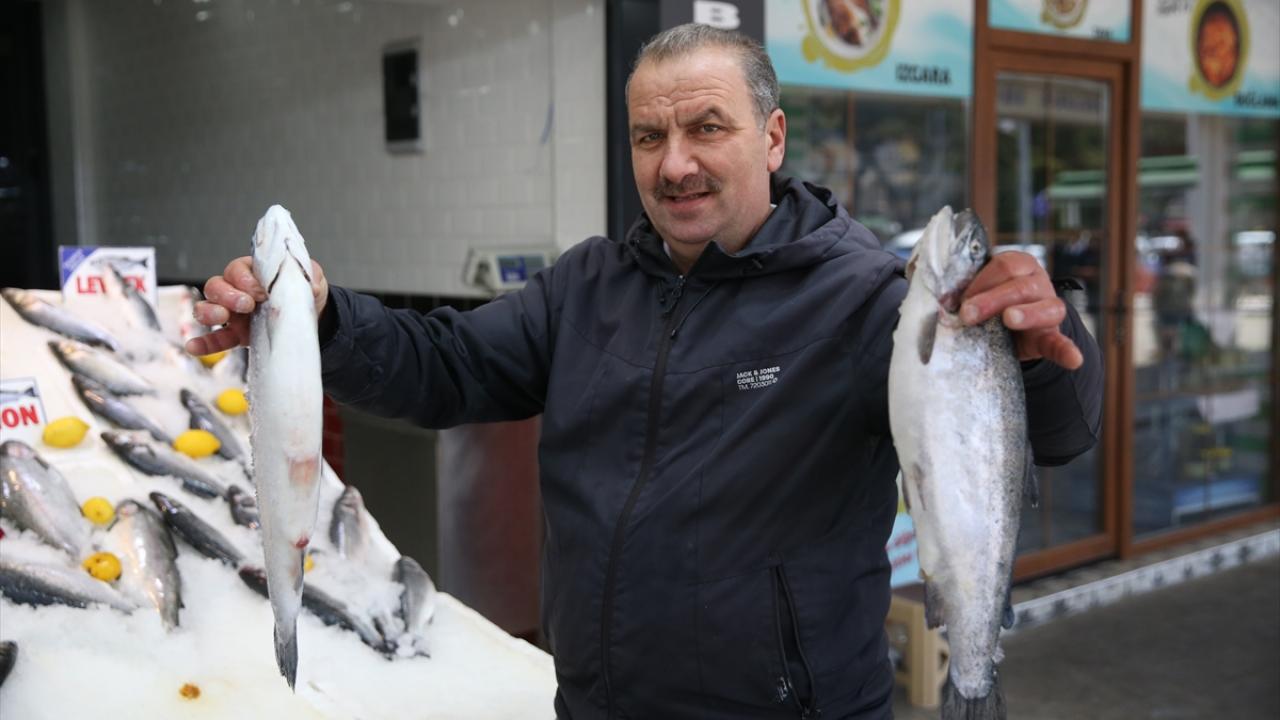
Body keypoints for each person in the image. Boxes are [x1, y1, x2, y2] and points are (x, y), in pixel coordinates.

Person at [188, 24, 1102, 720]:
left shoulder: (872, 301)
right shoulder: (587, 283)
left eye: (708, 128)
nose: (675, 164)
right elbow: (445, 366)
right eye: (647, 137)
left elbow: (1048, 435)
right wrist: (322, 318)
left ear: (773, 138)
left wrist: (1045, 348)